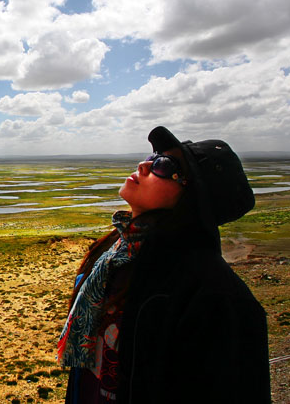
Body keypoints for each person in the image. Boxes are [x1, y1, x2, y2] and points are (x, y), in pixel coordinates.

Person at [57, 126, 271, 403]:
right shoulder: (115, 253)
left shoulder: (216, 296)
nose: (144, 165)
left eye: (163, 165)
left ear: (193, 199)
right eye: (153, 156)